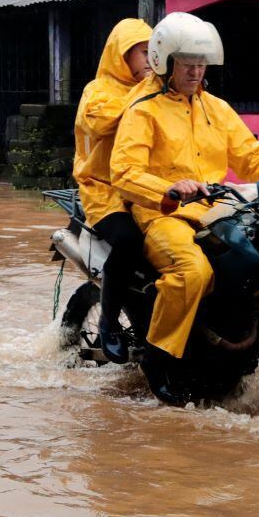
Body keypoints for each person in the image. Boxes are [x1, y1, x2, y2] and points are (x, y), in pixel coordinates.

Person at [110, 12, 259, 363]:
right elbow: (123, 172)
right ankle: (159, 356)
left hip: (217, 210)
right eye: (186, 65)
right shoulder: (143, 111)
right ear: (164, 63)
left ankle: (254, 342)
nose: (195, 73)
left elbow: (252, 158)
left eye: (201, 65)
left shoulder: (218, 109)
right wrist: (170, 188)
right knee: (192, 272)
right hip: (164, 214)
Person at [72, 18, 153, 364]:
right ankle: (108, 322)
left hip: (146, 188)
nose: (151, 60)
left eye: (156, 53)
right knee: (130, 241)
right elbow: (100, 123)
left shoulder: (158, 93)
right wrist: (145, 89)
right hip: (103, 191)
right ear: (122, 56)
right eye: (144, 53)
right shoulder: (98, 91)